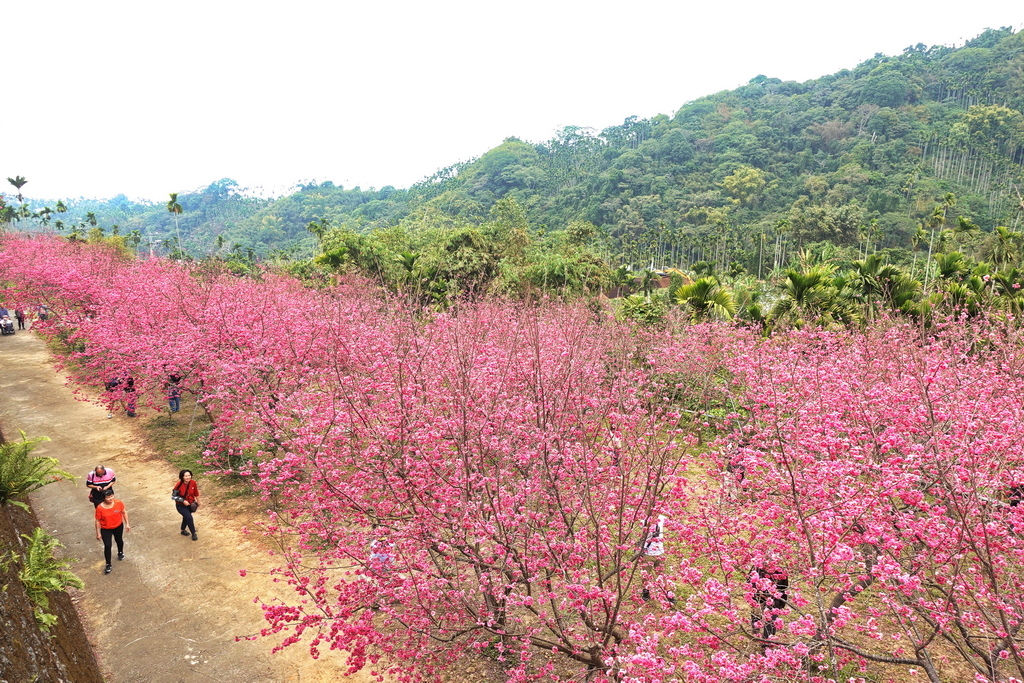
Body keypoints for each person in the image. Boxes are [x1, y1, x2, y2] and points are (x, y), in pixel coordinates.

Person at [95, 489, 130, 574]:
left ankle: (120, 552)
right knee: (107, 545)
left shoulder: (118, 503)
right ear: (104, 498)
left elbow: (124, 512)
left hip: (118, 526)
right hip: (106, 528)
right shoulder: (100, 508)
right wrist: (98, 533)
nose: (110, 498)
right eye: (108, 497)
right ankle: (108, 564)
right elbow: (97, 521)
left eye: (111, 496)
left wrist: (127, 524)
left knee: (119, 540)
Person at [639, 515, 673, 603]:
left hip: (659, 552)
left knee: (662, 574)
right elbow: (643, 534)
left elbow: (671, 523)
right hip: (648, 553)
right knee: (646, 574)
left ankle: (668, 592)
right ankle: (646, 591)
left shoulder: (662, 518)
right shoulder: (644, 520)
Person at [750, 564, 789, 639]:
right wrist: (758, 592)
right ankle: (756, 631)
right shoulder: (758, 566)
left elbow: (784, 588)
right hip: (759, 596)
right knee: (757, 614)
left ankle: (767, 641)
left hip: (774, 598)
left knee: (771, 620)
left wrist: (781, 602)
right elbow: (750, 581)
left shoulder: (782, 571)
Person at [172, 469, 200, 540]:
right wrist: (183, 501)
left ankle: (182, 530)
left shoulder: (193, 482)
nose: (188, 477)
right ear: (182, 477)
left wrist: (198, 502)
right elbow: (174, 496)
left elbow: (196, 493)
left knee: (186, 517)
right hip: (181, 506)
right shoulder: (179, 485)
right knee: (189, 518)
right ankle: (193, 533)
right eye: (186, 476)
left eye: (189, 475)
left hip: (190, 504)